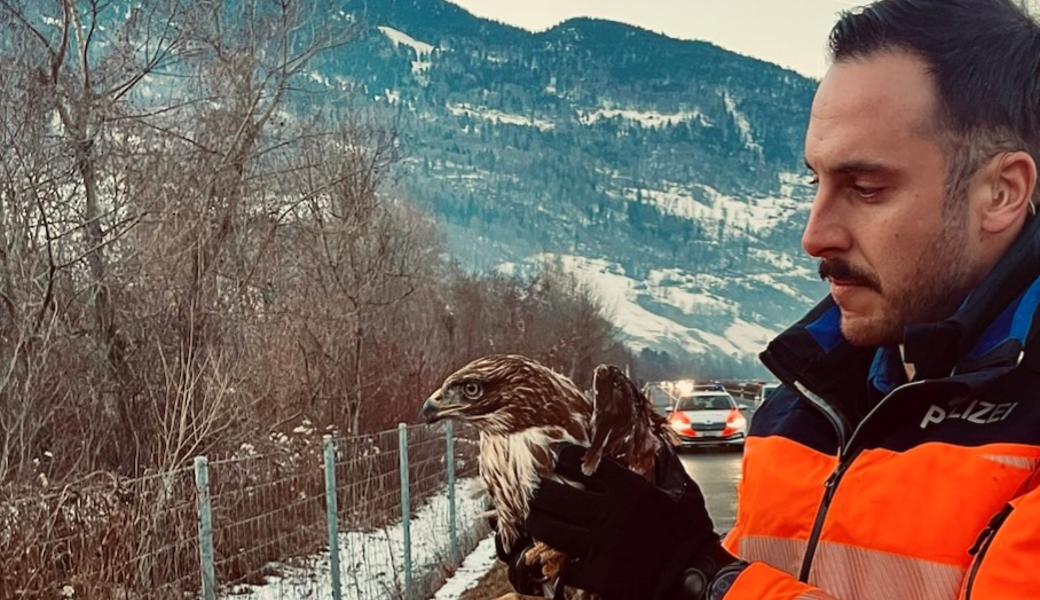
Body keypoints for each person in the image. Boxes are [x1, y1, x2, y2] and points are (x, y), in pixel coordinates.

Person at [497, 0, 1040, 598]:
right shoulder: (800, 405)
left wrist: (689, 575)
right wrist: (659, 549)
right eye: (816, 181)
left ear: (1000, 192)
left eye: (865, 188)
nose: (814, 235)